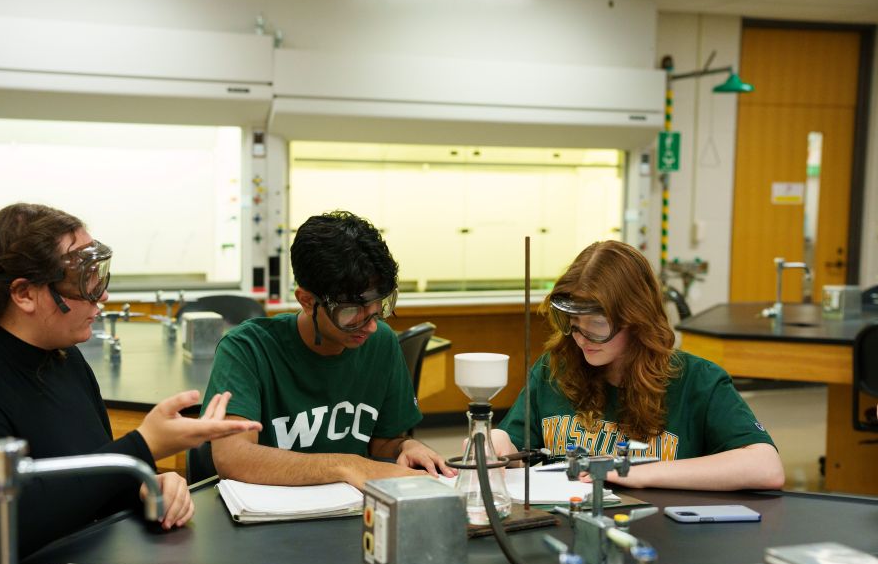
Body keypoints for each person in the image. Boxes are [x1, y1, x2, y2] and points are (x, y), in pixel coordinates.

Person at [0, 203, 260, 564]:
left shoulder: (64, 360)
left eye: (98, 275)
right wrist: (142, 447)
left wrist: (147, 485)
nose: (103, 294)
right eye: (83, 279)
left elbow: (88, 484)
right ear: (25, 293)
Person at [491, 240, 785, 491]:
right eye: (573, 323)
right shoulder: (555, 369)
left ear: (637, 318)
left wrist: (633, 472)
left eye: (596, 324)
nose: (581, 339)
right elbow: (513, 440)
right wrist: (493, 440)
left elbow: (765, 466)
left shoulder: (698, 381)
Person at [202, 211, 454, 489]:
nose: (370, 326)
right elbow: (232, 458)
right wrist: (347, 465)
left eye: (379, 306)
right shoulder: (247, 349)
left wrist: (404, 448)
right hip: (267, 520)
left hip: (349, 515)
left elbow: (383, 441)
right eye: (352, 311)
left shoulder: (381, 342)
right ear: (307, 301)